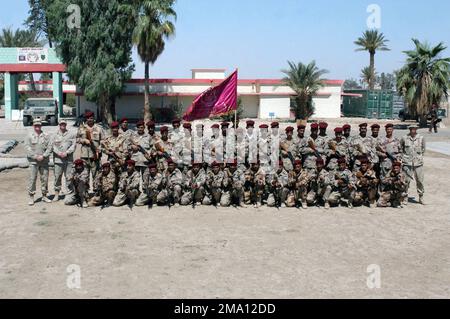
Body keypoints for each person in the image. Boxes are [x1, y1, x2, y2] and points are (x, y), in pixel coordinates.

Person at [24, 119, 53, 205]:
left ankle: (44, 196)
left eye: (39, 125)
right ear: (33, 126)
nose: (37, 127)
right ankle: (31, 197)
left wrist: (43, 156)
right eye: (36, 125)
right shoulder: (29, 136)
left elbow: (50, 147)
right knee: (32, 179)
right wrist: (35, 156)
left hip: (44, 161)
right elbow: (27, 147)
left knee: (44, 179)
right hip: (33, 162)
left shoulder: (46, 136)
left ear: (41, 126)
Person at [400, 124, 426, 205]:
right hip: (407, 163)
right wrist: (404, 158)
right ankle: (405, 197)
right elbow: (401, 149)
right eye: (411, 129)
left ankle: (421, 197)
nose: (412, 130)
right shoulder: (404, 138)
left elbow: (423, 149)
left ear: (416, 129)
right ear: (409, 129)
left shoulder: (421, 138)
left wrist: (419, 157)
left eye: (414, 129)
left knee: (420, 181)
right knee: (406, 181)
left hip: (418, 163)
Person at [52, 119, 76, 202]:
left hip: (68, 160)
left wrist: (67, 152)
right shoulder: (54, 134)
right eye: (61, 124)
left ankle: (69, 194)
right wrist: (58, 153)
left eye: (64, 124)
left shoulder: (71, 134)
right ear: (59, 124)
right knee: (57, 177)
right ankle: (56, 194)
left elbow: (74, 145)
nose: (63, 125)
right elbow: (52, 145)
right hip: (58, 160)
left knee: (69, 177)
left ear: (66, 125)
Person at [76, 111, 103, 181]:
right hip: (84, 156)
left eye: (91, 118)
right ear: (86, 119)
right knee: (84, 176)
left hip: (95, 155)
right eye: (88, 118)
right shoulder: (81, 128)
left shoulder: (99, 128)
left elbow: (104, 140)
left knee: (96, 176)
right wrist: (84, 140)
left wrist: (99, 149)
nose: (89, 119)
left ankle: (96, 190)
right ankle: (85, 190)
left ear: (94, 118)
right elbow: (77, 139)